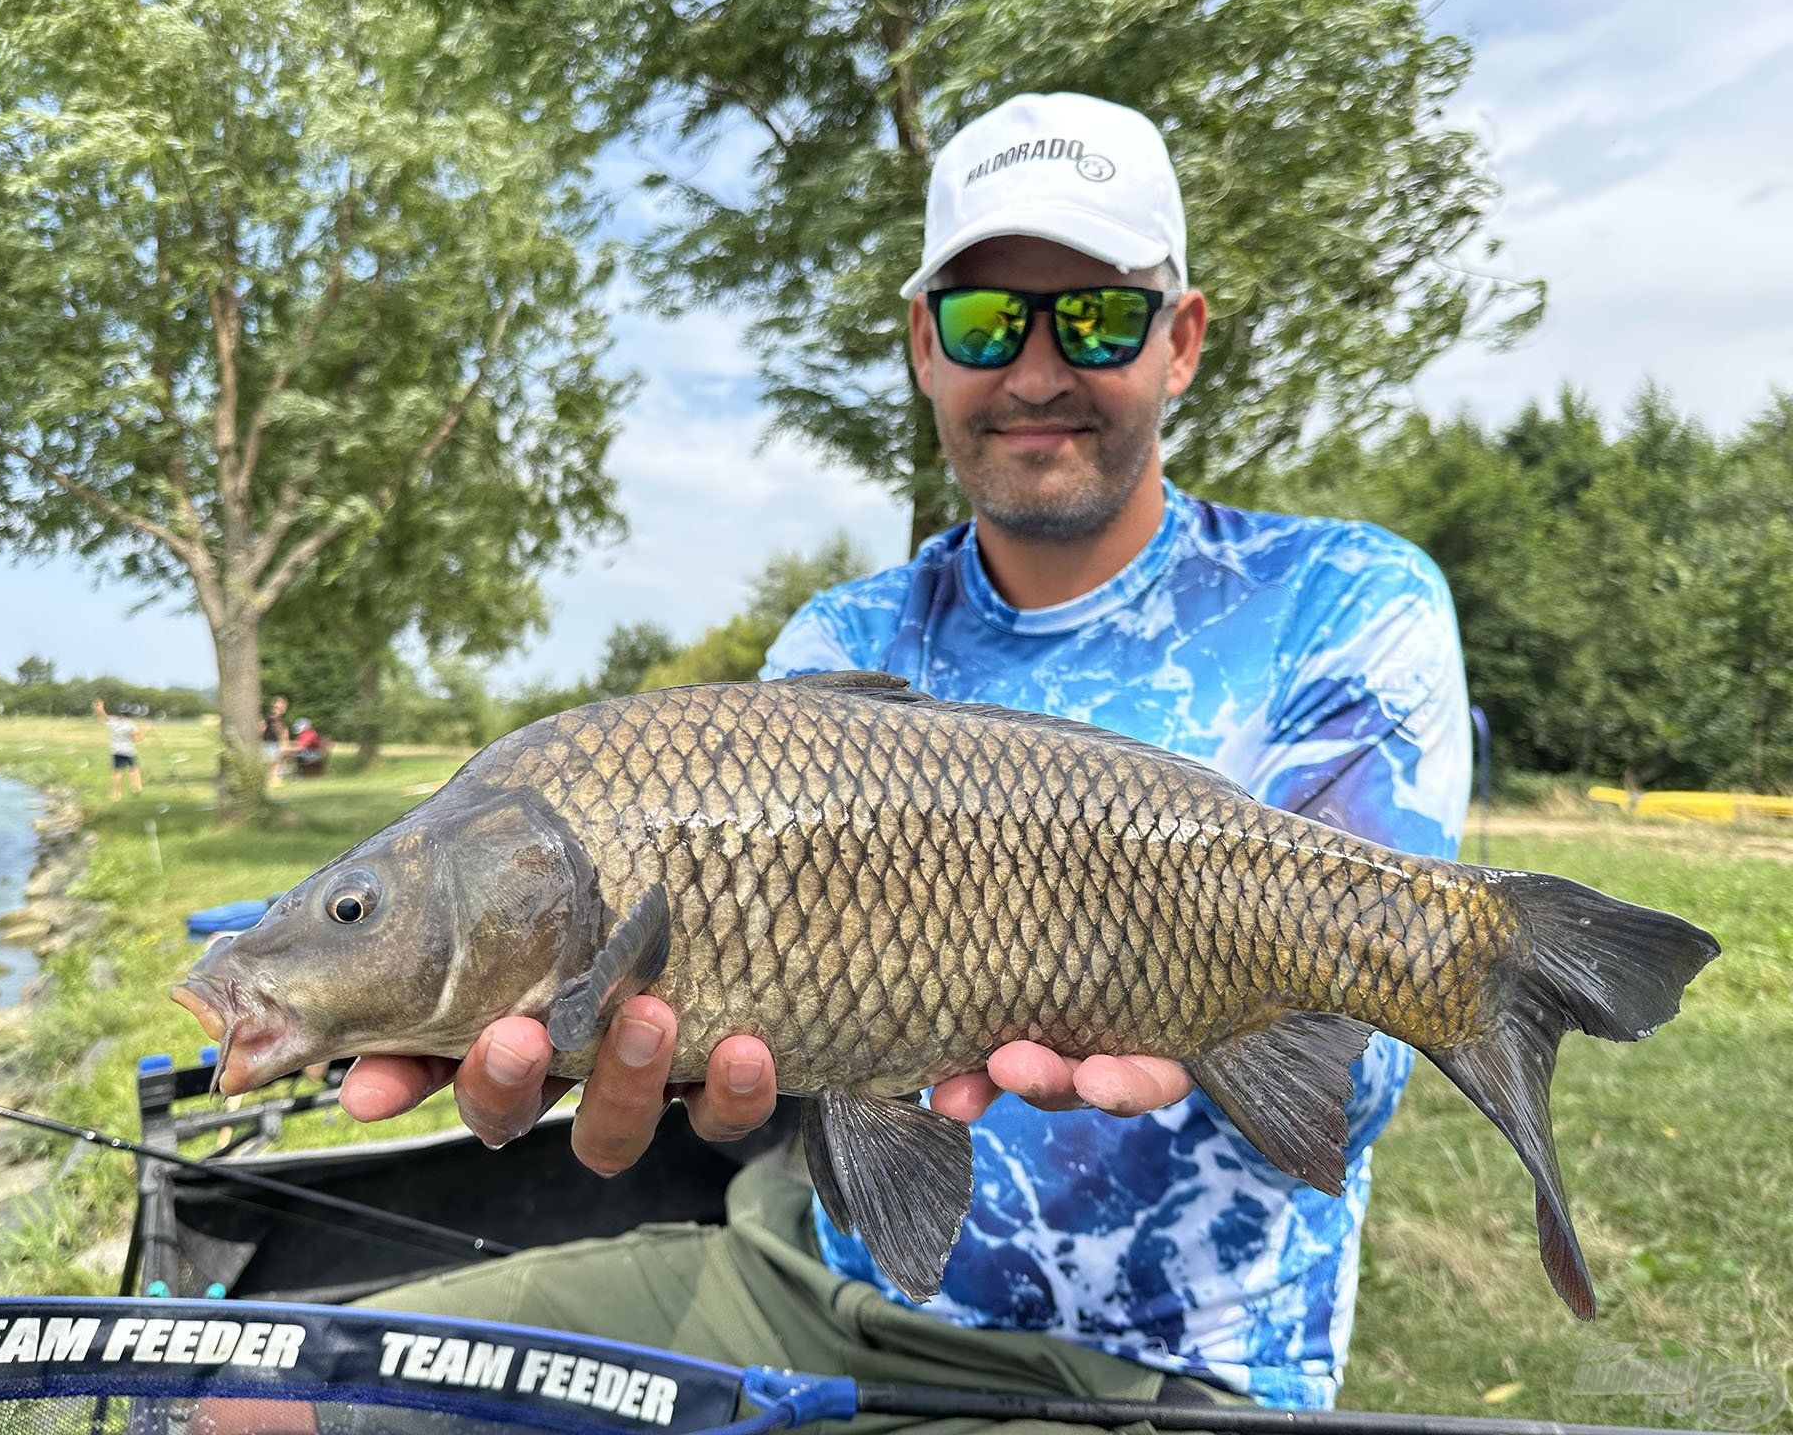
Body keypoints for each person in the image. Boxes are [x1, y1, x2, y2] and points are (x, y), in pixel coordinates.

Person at [341, 91, 1469, 1417]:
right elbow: (759, 1068)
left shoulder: (1350, 597)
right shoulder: (844, 637)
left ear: (1183, 341)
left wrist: (1193, 998)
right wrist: (695, 1079)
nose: (1038, 372)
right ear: (925, 349)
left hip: (1172, 1371)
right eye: (988, 321)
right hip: (813, 1287)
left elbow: (1354, 1085)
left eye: (1098, 317)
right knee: (261, 1394)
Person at [94, 698, 149, 800]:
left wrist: (99, 707)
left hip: (115, 750)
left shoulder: (112, 721)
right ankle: (136, 786)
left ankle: (116, 794)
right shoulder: (130, 725)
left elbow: (102, 715)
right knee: (134, 769)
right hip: (128, 751)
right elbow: (137, 738)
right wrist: (145, 729)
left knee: (117, 772)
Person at [261, 696, 291, 789]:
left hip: (276, 743)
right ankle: (271, 780)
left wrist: (285, 744)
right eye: (280, 705)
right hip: (268, 742)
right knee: (271, 762)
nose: (282, 708)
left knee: (276, 762)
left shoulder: (281, 720)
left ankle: (274, 780)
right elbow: (262, 728)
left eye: (284, 706)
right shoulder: (268, 717)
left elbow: (283, 733)